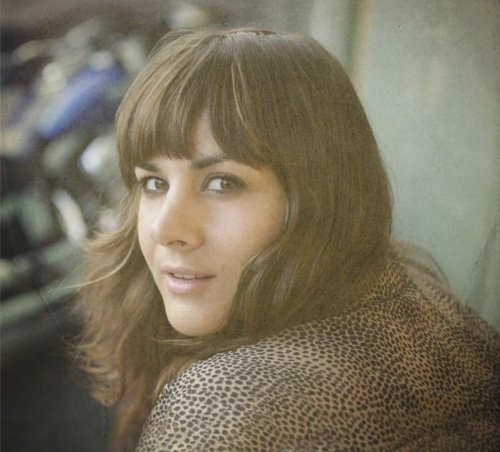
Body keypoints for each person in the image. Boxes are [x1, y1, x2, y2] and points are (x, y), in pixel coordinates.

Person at [74, 28, 500, 451]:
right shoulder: (413, 289)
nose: (165, 230)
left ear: (319, 197)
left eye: (222, 183)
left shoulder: (222, 413)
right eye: (153, 183)